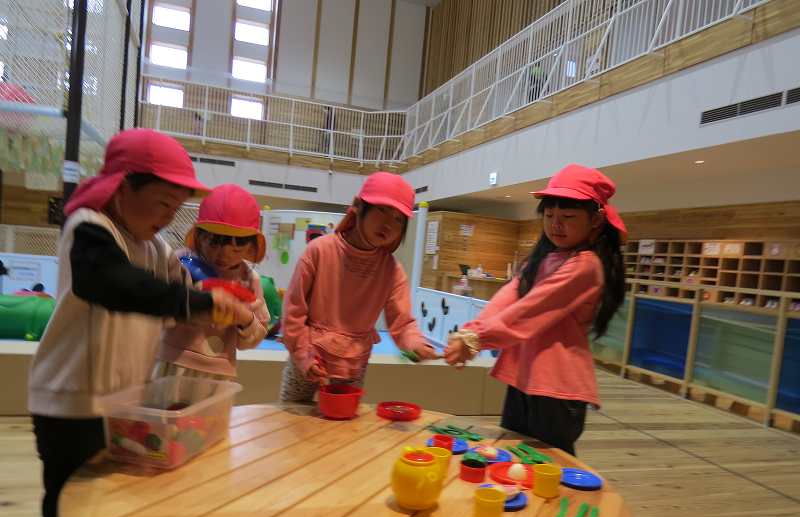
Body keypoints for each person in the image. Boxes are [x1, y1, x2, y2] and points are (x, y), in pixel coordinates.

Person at [26, 128, 251, 517]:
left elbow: (183, 291)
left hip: (121, 404)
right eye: (162, 204)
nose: (167, 217)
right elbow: (112, 283)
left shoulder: (156, 248)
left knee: (102, 512)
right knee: (64, 516)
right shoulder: (89, 227)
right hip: (70, 404)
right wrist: (198, 304)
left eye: (176, 209)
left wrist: (223, 300)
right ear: (122, 187)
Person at [444, 164, 627, 455]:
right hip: (525, 378)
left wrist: (476, 339)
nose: (556, 225)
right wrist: (469, 334)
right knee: (511, 460)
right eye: (549, 216)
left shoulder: (586, 265)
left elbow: (531, 310)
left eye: (568, 217)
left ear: (595, 220)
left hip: (557, 387)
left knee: (548, 466)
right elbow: (508, 297)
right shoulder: (543, 258)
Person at [280, 171, 438, 403]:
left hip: (353, 364)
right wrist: (304, 355)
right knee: (293, 418)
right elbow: (293, 312)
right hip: (309, 358)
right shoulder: (319, 250)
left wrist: (417, 344)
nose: (388, 224)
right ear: (359, 207)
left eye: (398, 219)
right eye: (382, 210)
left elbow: (402, 322)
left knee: (344, 421)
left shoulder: (391, 270)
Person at [155, 184, 269, 379]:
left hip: (220, 370)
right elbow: (157, 312)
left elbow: (251, 340)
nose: (224, 255)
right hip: (174, 361)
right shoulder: (181, 263)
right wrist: (195, 299)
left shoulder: (249, 280)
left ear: (251, 247)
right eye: (213, 244)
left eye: (236, 248)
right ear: (199, 237)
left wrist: (246, 319)